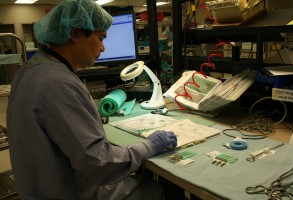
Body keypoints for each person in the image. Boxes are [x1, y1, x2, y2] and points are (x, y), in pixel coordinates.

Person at [6, 0, 177, 199]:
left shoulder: (31, 69)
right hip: (71, 193)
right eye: (100, 38)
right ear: (76, 34)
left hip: (40, 187)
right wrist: (150, 145)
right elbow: (101, 164)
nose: (103, 48)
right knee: (159, 189)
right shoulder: (57, 83)